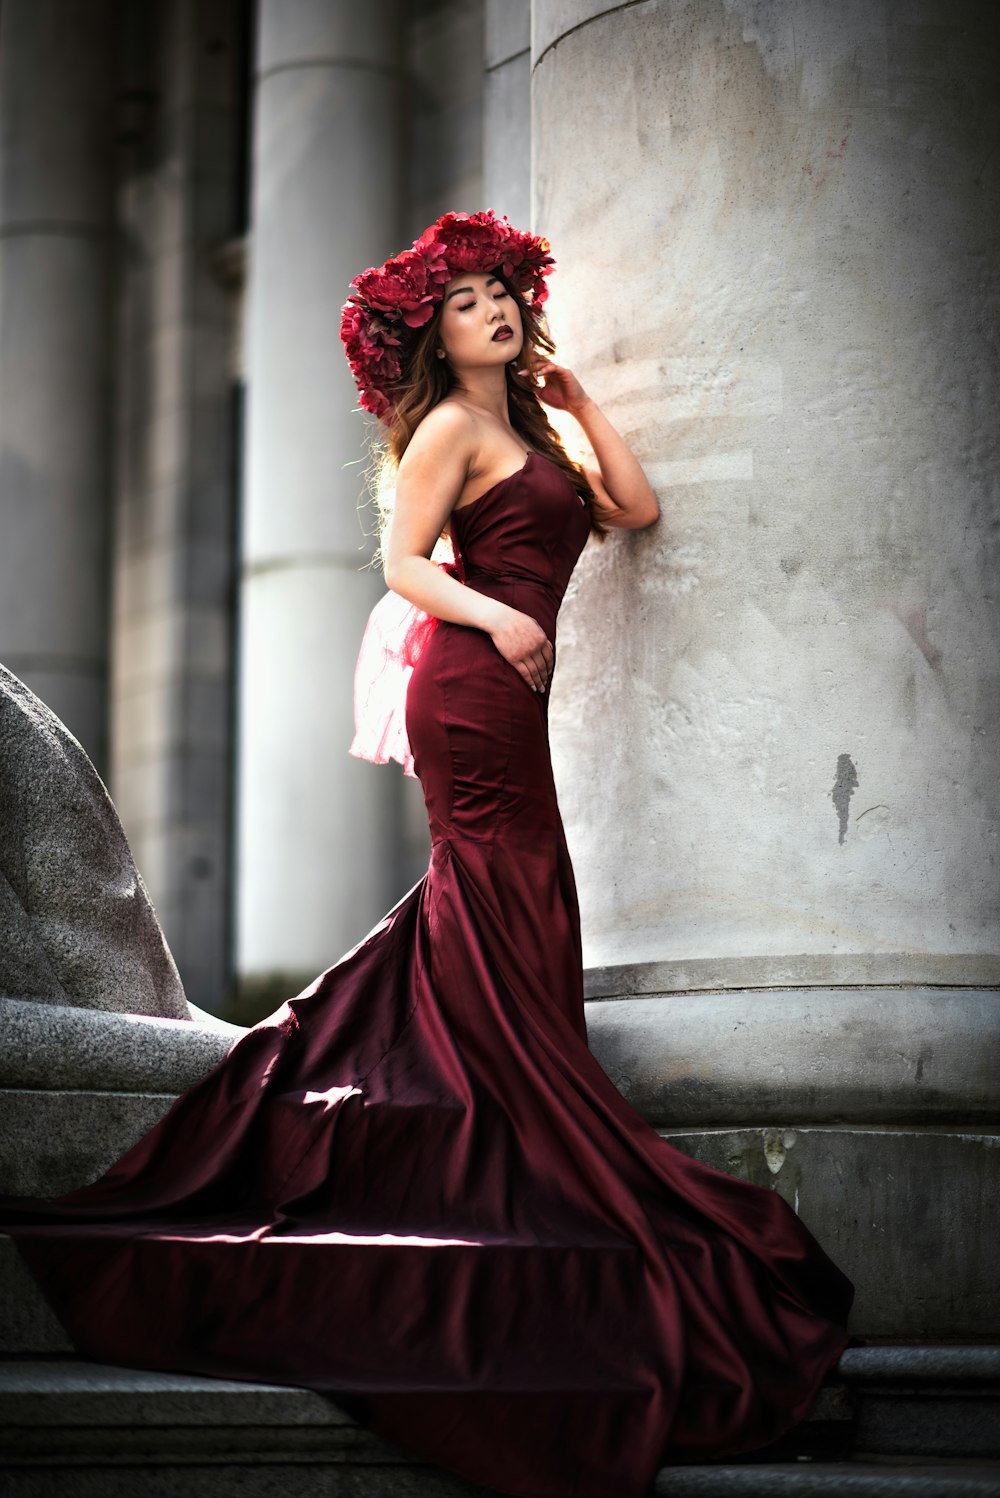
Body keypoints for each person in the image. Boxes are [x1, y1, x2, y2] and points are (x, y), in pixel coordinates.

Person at [2, 211, 853, 1498]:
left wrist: (571, 398)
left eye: (500, 293)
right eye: (461, 302)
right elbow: (404, 564)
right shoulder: (450, 431)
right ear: (427, 333)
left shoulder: (527, 426)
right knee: (505, 886)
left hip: (504, 682)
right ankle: (530, 1117)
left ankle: (517, 1093)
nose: (491, 312)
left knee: (520, 899)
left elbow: (636, 506)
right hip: (467, 683)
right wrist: (501, 614)